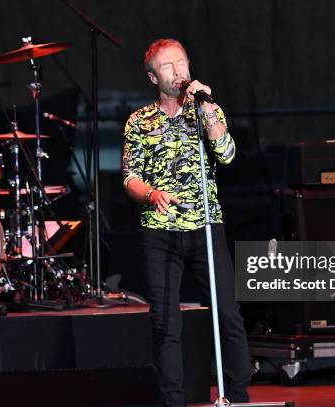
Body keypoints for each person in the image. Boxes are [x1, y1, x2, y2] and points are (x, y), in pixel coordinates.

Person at [122, 38, 252, 406]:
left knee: (228, 312)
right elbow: (129, 177)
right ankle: (173, 400)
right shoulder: (139, 121)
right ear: (153, 77)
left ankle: (238, 397)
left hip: (206, 225)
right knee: (166, 323)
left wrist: (207, 106)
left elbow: (226, 155)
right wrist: (151, 194)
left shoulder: (206, 109)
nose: (178, 71)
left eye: (182, 63)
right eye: (168, 66)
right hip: (160, 230)